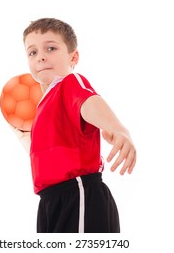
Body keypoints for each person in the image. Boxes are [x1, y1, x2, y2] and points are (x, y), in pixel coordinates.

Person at [13, 18, 136, 233]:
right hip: (49, 200)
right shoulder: (44, 105)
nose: (41, 56)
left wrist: (118, 128)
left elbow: (88, 101)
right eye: (32, 52)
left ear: (73, 56)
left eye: (51, 48)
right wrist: (26, 139)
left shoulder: (69, 83)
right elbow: (50, 156)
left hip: (78, 194)